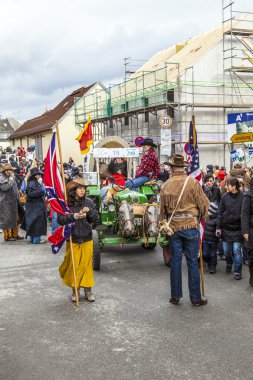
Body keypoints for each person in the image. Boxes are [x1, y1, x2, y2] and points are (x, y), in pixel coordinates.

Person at [159, 154, 210, 306]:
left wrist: (162, 225)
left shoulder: (166, 185)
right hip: (191, 227)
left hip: (173, 228)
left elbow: (162, 212)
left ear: (173, 168)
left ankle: (175, 297)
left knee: (175, 262)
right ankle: (195, 298)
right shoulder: (193, 182)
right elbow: (205, 206)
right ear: (184, 168)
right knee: (192, 262)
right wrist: (199, 217)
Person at [57, 178, 98, 302]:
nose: (82, 190)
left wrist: (89, 212)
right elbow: (60, 219)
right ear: (74, 191)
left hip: (87, 237)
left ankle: (88, 291)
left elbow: (95, 219)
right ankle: (75, 291)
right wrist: (74, 216)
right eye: (80, 188)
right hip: (73, 238)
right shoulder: (67, 204)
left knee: (86, 266)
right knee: (73, 266)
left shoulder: (89, 202)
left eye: (84, 188)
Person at [216, 177, 244, 280]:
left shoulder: (243, 197)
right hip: (226, 229)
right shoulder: (224, 197)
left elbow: (245, 213)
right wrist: (218, 227)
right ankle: (229, 263)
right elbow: (219, 212)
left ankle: (237, 272)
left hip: (238, 229)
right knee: (227, 251)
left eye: (228, 185)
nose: (226, 186)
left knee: (237, 251)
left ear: (234, 186)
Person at [21, 167, 47, 244]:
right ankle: (36, 240)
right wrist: (41, 192)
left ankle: (34, 239)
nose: (40, 175)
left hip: (34, 206)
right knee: (37, 223)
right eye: (38, 174)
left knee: (33, 222)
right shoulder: (33, 182)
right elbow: (31, 194)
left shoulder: (32, 181)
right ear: (35, 175)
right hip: (35, 206)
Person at [0, 164, 24, 241]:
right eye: (10, 170)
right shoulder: (1, 178)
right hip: (5, 202)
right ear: (6, 171)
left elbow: (15, 188)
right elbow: (4, 188)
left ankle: (15, 234)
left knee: (16, 218)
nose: (12, 171)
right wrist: (11, 180)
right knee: (6, 219)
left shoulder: (12, 177)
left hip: (14, 201)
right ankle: (7, 236)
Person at [241, 177, 253, 286]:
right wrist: (245, 231)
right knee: (252, 256)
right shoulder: (248, 195)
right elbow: (244, 214)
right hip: (251, 229)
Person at [202, 202, 219, 274]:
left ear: (212, 212)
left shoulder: (217, 220)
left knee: (213, 254)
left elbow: (218, 229)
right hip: (205, 240)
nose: (207, 211)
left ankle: (213, 267)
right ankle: (209, 262)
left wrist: (218, 233)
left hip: (213, 240)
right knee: (205, 254)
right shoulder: (206, 218)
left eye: (209, 210)